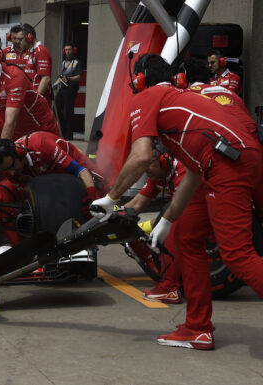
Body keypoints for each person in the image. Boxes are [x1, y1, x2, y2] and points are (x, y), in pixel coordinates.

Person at [90, 54, 263, 350]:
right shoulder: (179, 100)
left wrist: (110, 198)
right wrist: (168, 219)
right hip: (231, 158)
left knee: (237, 255)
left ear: (139, 79)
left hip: (227, 164)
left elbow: (141, 156)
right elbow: (194, 171)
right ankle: (197, 328)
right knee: (187, 237)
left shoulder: (147, 96)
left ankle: (198, 326)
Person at [0, 131, 105, 245]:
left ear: (20, 153)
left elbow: (80, 170)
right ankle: (25, 252)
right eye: (6, 170)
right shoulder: (11, 171)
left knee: (103, 198)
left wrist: (92, 197)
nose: (12, 173)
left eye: (13, 166)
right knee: (0, 196)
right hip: (45, 180)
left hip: (70, 166)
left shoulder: (42, 145)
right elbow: (29, 196)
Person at [124, 151, 186, 304]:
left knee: (170, 228)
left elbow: (179, 209)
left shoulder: (182, 171)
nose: (146, 168)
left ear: (164, 161)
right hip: (196, 207)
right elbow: (137, 204)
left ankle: (170, 288)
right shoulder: (158, 175)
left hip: (210, 207)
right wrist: (113, 215)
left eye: (149, 163)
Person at [17, 24, 53, 104]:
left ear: (29, 37)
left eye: (20, 39)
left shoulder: (40, 51)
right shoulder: (31, 53)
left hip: (39, 103)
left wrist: (36, 100)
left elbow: (46, 79)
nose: (18, 42)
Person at [55, 43, 82, 140]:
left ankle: (68, 135)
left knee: (68, 112)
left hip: (71, 90)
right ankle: (62, 131)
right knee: (56, 108)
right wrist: (55, 84)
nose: (67, 52)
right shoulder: (64, 63)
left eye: (69, 49)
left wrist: (68, 78)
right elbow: (62, 77)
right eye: (66, 50)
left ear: (73, 50)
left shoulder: (77, 62)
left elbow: (78, 77)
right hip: (62, 89)